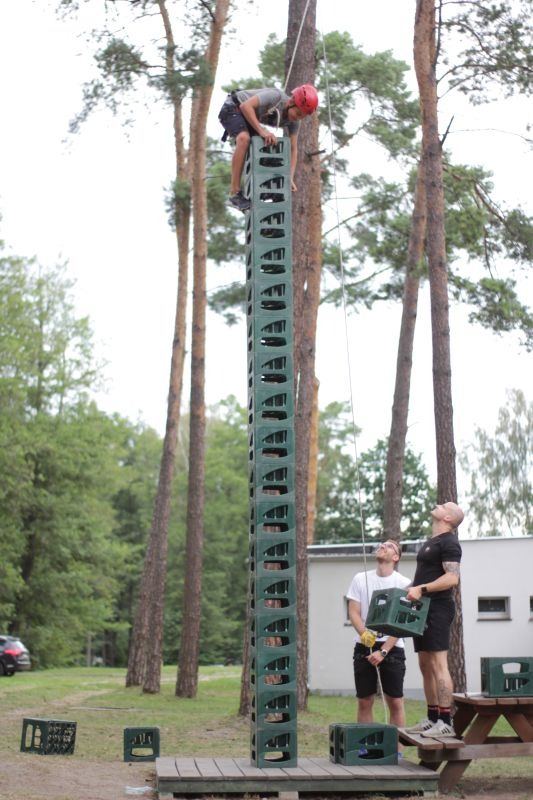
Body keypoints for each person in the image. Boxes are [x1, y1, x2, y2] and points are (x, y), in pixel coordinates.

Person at [405, 501, 464, 738]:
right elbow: (425, 577)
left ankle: (445, 721)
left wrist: (422, 589)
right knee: (425, 665)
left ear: (448, 518)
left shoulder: (450, 542)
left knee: (439, 664)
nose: (438, 504)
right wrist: (409, 589)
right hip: (423, 608)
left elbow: (452, 578)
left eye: (444, 505)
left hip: (438, 607)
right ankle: (432, 718)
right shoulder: (431, 543)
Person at [218, 84, 319, 212]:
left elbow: (293, 149)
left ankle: (267, 190)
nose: (298, 118)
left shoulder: (294, 121)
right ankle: (234, 193)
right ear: (292, 102)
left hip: (247, 118)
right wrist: (262, 131)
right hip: (233, 108)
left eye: (302, 117)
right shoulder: (275, 97)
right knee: (244, 139)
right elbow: (245, 106)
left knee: (269, 152)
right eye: (298, 113)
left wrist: (289, 177)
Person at [346, 540, 411, 728]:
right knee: (365, 701)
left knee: (395, 702)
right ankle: (365, 749)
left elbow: (402, 621)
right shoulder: (360, 578)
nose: (383, 546)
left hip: (392, 647)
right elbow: (353, 612)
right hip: (364, 646)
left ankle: (396, 751)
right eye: (382, 544)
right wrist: (365, 635)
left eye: (389, 546)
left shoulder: (404, 583)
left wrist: (383, 651)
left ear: (396, 557)